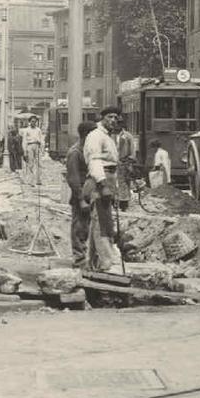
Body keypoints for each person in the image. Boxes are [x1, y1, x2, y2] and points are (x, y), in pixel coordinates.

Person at [83, 106, 124, 273]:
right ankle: (107, 264)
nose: (113, 120)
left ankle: (91, 263)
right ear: (103, 118)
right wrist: (103, 185)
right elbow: (94, 161)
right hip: (100, 181)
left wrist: (114, 187)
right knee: (103, 224)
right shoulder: (96, 136)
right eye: (110, 117)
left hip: (108, 179)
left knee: (97, 224)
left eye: (116, 117)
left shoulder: (107, 136)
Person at [66, 121, 95, 268]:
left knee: (88, 226)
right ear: (87, 135)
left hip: (91, 193)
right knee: (79, 227)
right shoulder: (75, 152)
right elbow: (73, 178)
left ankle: (87, 257)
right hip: (81, 196)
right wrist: (81, 199)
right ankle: (79, 259)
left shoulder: (88, 150)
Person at [19, 116, 45, 186]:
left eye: (35, 121)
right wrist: (25, 151)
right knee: (30, 164)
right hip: (30, 146)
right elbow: (24, 141)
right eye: (32, 121)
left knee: (39, 163)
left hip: (37, 146)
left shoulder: (38, 130)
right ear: (29, 122)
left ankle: (38, 180)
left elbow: (41, 139)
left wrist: (42, 149)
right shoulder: (26, 130)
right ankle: (31, 181)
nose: (34, 123)